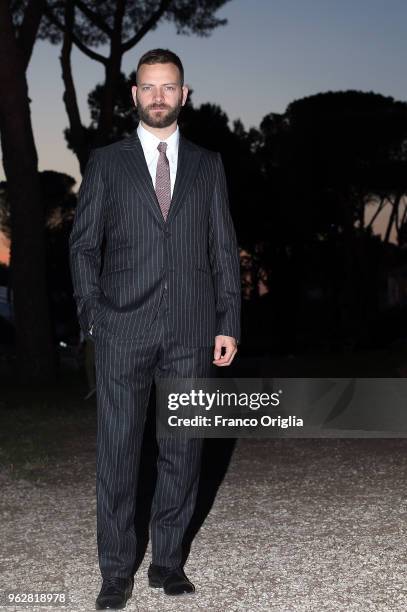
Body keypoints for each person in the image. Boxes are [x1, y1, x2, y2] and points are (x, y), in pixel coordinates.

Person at [69, 48, 241, 610]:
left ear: (184, 94)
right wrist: (92, 313)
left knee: (183, 449)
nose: (159, 97)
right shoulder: (107, 162)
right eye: (149, 87)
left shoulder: (208, 164)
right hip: (121, 329)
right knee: (118, 453)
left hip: (192, 330)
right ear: (134, 95)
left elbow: (222, 248)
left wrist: (227, 322)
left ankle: (167, 561)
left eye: (169, 87)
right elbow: (83, 245)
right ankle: (115, 569)